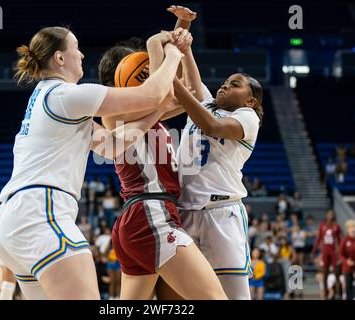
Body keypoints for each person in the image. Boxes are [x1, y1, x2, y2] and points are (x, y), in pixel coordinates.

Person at [0, 26, 183, 300]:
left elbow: (112, 145)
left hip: (12, 221)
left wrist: (160, 111)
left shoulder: (49, 99)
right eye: (75, 47)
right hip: (40, 214)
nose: (81, 54)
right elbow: (152, 93)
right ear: (59, 58)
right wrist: (173, 51)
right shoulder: (67, 95)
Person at [97, 6, 226, 300]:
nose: (148, 73)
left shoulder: (149, 114)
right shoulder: (113, 113)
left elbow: (186, 92)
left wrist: (182, 28)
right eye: (141, 69)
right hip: (150, 215)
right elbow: (163, 89)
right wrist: (156, 42)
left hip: (144, 218)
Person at [173, 25, 263, 297]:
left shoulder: (248, 117)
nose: (224, 84)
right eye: (224, 81)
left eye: (234, 84)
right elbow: (188, 70)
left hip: (221, 213)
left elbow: (211, 125)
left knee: (234, 295)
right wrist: (183, 30)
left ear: (249, 100)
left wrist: (172, 84)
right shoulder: (205, 106)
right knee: (185, 296)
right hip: (184, 212)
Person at [312, 209, 342, 299]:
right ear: (326, 215)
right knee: (325, 274)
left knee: (337, 274)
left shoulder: (336, 226)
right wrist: (313, 251)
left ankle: (338, 294)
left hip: (333, 252)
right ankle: (325, 294)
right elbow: (318, 239)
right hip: (325, 252)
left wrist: (339, 251)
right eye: (328, 214)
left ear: (334, 215)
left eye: (332, 214)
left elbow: (340, 241)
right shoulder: (322, 226)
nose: (330, 215)